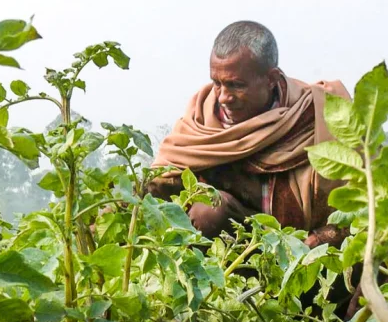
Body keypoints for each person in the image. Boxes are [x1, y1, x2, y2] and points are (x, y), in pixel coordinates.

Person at [147, 20, 352, 250]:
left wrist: (318, 241)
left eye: (236, 85)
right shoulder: (201, 120)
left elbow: (358, 203)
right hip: (233, 258)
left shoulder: (317, 114)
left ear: (271, 79)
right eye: (217, 83)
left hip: (307, 254)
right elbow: (157, 184)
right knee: (207, 211)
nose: (223, 96)